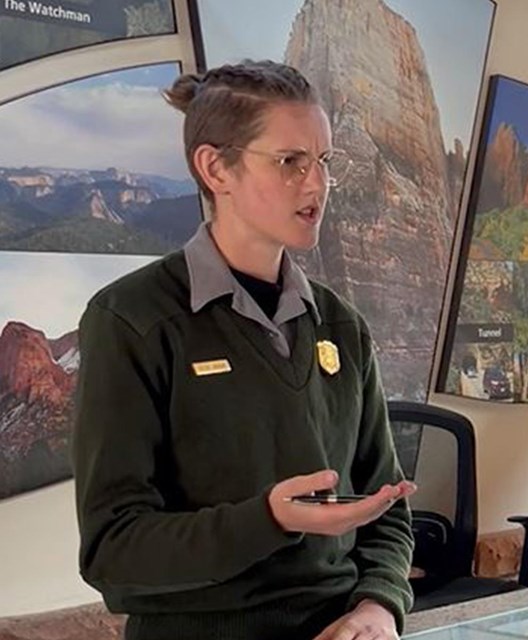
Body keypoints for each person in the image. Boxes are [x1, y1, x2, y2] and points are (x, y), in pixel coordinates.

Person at [72, 59, 417, 640]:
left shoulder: (341, 325)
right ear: (215, 168)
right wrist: (269, 520)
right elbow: (114, 547)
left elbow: (388, 512)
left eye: (324, 162)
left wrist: (377, 608)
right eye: (290, 162)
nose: (317, 184)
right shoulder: (131, 321)